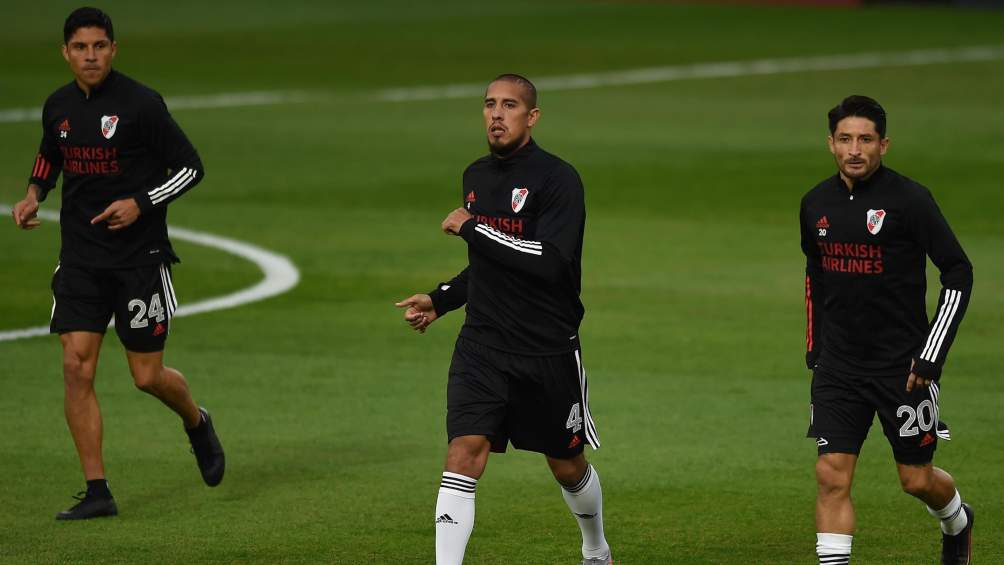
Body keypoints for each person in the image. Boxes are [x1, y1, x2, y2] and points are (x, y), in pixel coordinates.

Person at [10, 7, 224, 520]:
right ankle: (98, 490)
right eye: (81, 47)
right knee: (75, 366)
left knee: (146, 376)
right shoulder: (57, 106)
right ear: (66, 52)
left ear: (113, 49)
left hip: (138, 260)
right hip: (81, 260)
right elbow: (49, 155)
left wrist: (142, 203)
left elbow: (191, 166)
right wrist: (33, 193)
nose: (90, 56)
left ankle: (197, 421)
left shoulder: (141, 104)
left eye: (99, 46)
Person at [396, 74, 611, 565]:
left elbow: (548, 261)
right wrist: (442, 298)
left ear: (531, 116)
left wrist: (474, 228)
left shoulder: (559, 180)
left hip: (546, 348)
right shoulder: (476, 176)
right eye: (489, 104)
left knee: (566, 464)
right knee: (464, 453)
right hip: (483, 345)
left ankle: (595, 548)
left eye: (509, 105)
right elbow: (492, 262)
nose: (496, 114)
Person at [800, 95, 974, 564]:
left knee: (915, 479)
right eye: (845, 139)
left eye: (865, 139)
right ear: (830, 144)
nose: (855, 149)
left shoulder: (910, 201)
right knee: (831, 474)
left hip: (904, 369)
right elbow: (815, 277)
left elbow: (958, 272)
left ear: (884, 144)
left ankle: (957, 519)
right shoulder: (815, 203)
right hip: (839, 367)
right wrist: (816, 346)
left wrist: (931, 354)